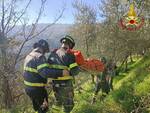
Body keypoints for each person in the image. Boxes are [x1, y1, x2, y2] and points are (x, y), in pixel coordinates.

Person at [23, 39, 69, 113]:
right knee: (44, 109)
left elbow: (35, 72)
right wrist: (61, 72)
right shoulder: (39, 57)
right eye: (45, 51)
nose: (44, 53)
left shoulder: (29, 55)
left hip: (29, 89)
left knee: (38, 108)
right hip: (37, 90)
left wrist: (45, 82)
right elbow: (45, 72)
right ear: (43, 48)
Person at [48, 35, 79, 113]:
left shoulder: (53, 54)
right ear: (70, 45)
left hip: (55, 85)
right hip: (66, 86)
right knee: (68, 106)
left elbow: (48, 69)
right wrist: (78, 67)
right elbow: (75, 71)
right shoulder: (70, 55)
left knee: (58, 103)